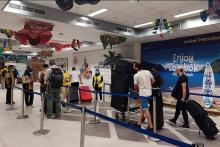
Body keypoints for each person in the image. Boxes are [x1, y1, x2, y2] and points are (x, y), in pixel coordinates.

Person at [133, 62, 155, 131]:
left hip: (143, 94)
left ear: (136, 67)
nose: (133, 67)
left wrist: (136, 92)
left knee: (145, 110)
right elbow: (153, 80)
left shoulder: (136, 75)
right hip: (149, 93)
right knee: (143, 108)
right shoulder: (148, 72)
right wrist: (148, 85)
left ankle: (151, 127)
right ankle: (139, 124)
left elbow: (135, 86)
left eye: (133, 66)